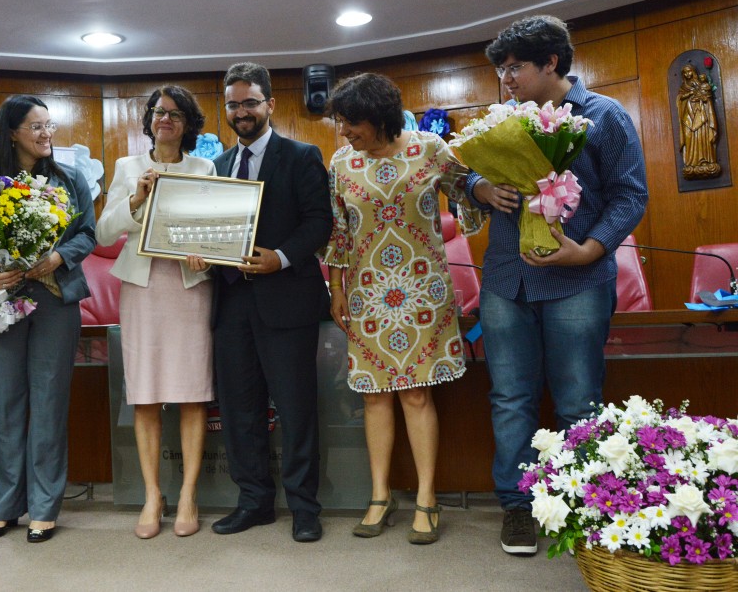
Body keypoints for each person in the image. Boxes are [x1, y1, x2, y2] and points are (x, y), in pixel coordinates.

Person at [467, 15, 648, 555]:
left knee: (577, 399)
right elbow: (463, 173)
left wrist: (590, 248)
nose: (507, 78)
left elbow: (630, 195)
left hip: (578, 279)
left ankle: (592, 507)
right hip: (505, 279)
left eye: (516, 66)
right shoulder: (503, 119)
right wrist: (479, 188)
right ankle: (519, 508)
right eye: (501, 69)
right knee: (510, 398)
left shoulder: (604, 116)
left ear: (551, 63)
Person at [323, 73, 484, 544]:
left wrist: (493, 187)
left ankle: (427, 498)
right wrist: (336, 289)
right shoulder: (341, 163)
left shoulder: (430, 148)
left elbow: (469, 197)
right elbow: (338, 234)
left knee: (416, 393)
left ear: (379, 117)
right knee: (373, 394)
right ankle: (379, 495)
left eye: (352, 122)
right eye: (341, 123)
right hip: (368, 292)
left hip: (423, 292)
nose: (345, 132)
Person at [197, 62, 332, 543]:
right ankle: (254, 502)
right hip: (230, 304)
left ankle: (304, 507)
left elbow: (320, 224)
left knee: (295, 408)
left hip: (287, 300)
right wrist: (200, 255)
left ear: (270, 104)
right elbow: (212, 231)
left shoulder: (302, 155)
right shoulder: (215, 168)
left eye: (250, 102)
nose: (241, 111)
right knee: (239, 410)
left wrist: (280, 257)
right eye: (233, 104)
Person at [0, 95, 96, 544]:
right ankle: (4, 507)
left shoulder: (71, 178)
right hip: (2, 305)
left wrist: (58, 256)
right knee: (5, 405)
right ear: (12, 133)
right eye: (36, 126)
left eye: (49, 125)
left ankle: (44, 507)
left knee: (48, 404)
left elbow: (88, 234)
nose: (46, 134)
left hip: (56, 302)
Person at [95, 85, 215, 539]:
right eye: (158, 112)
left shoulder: (205, 167)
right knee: (144, 394)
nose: (165, 119)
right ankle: (152, 494)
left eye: (176, 114)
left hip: (189, 288)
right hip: (142, 288)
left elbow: (219, 228)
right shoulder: (128, 167)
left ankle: (187, 493)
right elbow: (104, 233)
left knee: (191, 392)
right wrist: (136, 199)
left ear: (188, 125)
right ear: (148, 120)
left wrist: (208, 252)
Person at [677, 63, 720, 179]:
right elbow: (679, 99)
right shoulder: (683, 87)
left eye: (689, 71)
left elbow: (706, 97)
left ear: (693, 72)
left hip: (701, 114)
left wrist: (701, 97)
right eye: (685, 72)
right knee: (690, 138)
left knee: (702, 136)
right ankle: (691, 161)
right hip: (688, 116)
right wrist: (688, 95)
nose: (687, 74)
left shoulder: (700, 84)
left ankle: (705, 160)